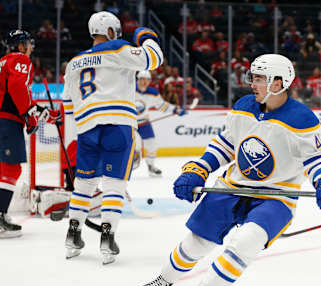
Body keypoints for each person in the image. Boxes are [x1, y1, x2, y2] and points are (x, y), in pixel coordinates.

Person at [136, 54, 321, 286]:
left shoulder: (300, 118)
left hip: (276, 197)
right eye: (253, 78)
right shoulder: (244, 106)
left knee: (245, 243)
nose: (252, 84)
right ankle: (163, 280)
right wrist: (199, 168)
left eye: (259, 79)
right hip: (232, 186)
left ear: (278, 83)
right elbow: (226, 144)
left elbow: (317, 159)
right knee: (195, 243)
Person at [61, 11, 163, 264]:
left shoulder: (74, 62)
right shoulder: (118, 47)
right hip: (117, 124)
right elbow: (154, 59)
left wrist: (81, 129)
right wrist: (147, 37)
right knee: (114, 183)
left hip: (86, 126)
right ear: (109, 32)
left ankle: (72, 235)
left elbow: (67, 105)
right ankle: (108, 238)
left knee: (84, 183)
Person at [0, 30, 60, 238]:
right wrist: (28, 114)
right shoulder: (19, 59)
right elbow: (17, 89)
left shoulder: (5, 62)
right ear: (20, 46)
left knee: (6, 168)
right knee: (9, 168)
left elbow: (19, 97)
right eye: (28, 43)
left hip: (5, 117)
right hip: (6, 120)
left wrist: (46, 116)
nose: (31, 48)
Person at [134, 70, 186, 176]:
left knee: (152, 144)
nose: (145, 82)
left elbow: (162, 106)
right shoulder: (129, 90)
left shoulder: (153, 93)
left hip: (144, 122)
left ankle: (151, 166)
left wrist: (175, 109)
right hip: (130, 123)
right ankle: (128, 165)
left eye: (147, 80)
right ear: (138, 80)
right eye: (142, 79)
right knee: (136, 145)